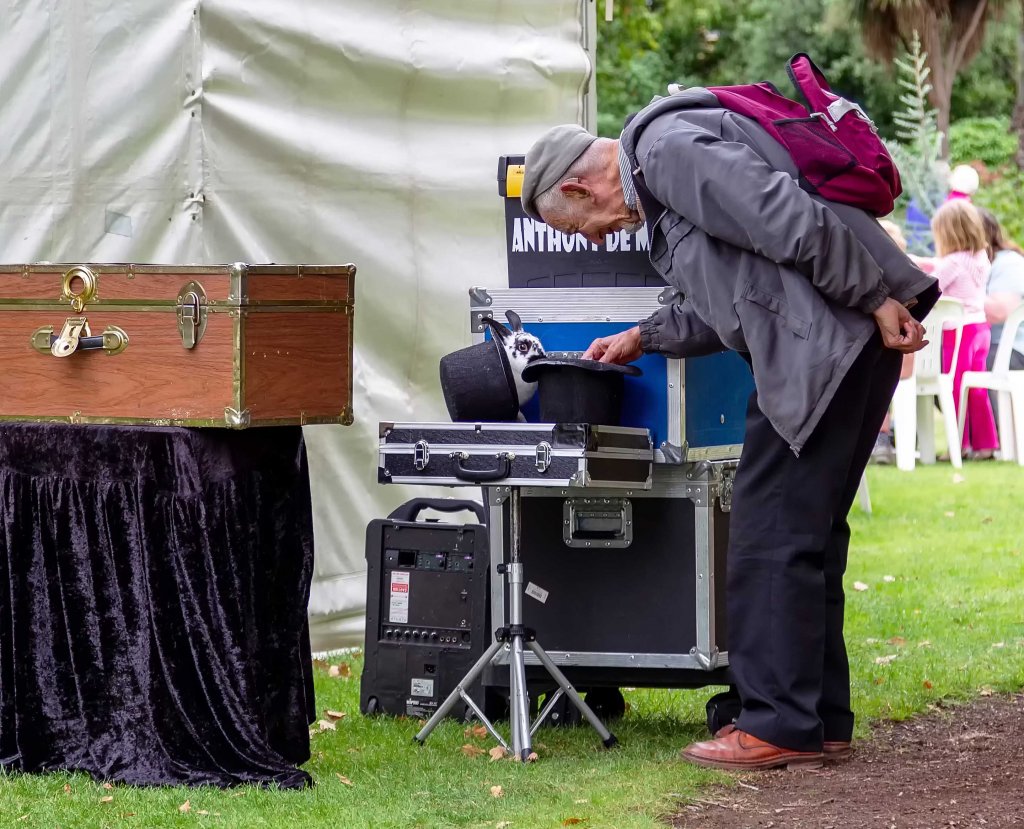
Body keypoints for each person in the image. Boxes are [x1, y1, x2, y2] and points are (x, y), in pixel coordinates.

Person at [519, 91, 938, 771]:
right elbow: (738, 295)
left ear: (577, 185)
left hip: (827, 339)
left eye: (582, 228)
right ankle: (818, 719)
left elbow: (782, 213)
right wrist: (641, 336)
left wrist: (871, 296)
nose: (598, 240)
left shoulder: (661, 150)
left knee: (769, 531)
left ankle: (776, 723)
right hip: (838, 334)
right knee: (810, 530)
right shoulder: (662, 174)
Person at [920, 200, 998, 459]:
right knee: (975, 389)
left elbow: (931, 286)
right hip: (979, 328)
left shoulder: (952, 262)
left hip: (959, 332)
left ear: (947, 232)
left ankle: (960, 443)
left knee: (955, 388)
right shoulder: (979, 257)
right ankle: (986, 445)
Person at [978, 207, 1024, 372]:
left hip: (1011, 348)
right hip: (985, 344)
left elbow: (1000, 312)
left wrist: (964, 291)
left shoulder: (1008, 262)